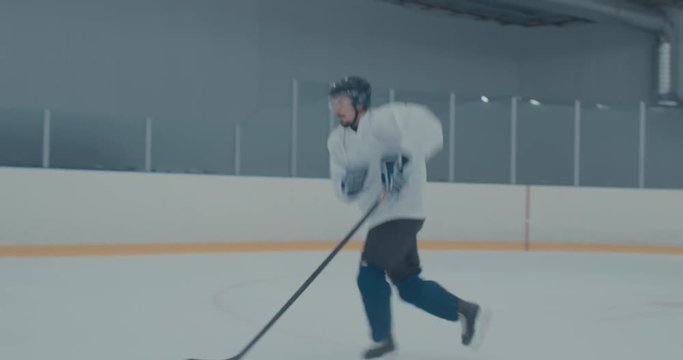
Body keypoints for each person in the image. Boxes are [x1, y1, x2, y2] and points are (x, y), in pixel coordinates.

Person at [326, 76, 486, 359]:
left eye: (342, 101)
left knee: (368, 274)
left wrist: (404, 159)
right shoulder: (338, 141)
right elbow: (341, 186)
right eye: (334, 102)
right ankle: (464, 310)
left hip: (404, 212)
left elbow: (430, 131)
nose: (336, 108)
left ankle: (384, 341)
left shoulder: (385, 121)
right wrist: (347, 186)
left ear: (359, 101)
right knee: (409, 286)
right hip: (378, 218)